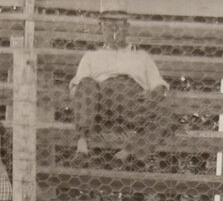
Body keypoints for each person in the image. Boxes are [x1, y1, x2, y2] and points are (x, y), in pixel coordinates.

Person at [69, 9, 174, 166]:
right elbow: (77, 90)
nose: (113, 29)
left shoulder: (142, 57)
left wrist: (153, 94)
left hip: (131, 105)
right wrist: (90, 92)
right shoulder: (91, 57)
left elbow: (159, 86)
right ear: (100, 28)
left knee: (166, 113)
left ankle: (127, 154)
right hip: (101, 107)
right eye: (108, 25)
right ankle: (82, 147)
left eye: (118, 24)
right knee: (86, 82)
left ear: (127, 27)